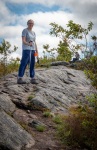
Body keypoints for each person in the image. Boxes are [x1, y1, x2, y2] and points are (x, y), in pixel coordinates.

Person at [17, 19, 39, 84]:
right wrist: (28, 43)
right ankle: (20, 77)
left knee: (32, 63)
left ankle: (32, 78)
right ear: (27, 24)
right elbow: (23, 40)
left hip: (33, 50)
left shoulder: (34, 33)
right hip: (26, 49)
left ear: (33, 24)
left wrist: (37, 53)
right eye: (29, 23)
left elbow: (35, 43)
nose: (31, 24)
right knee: (24, 62)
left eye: (32, 23)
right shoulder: (25, 30)